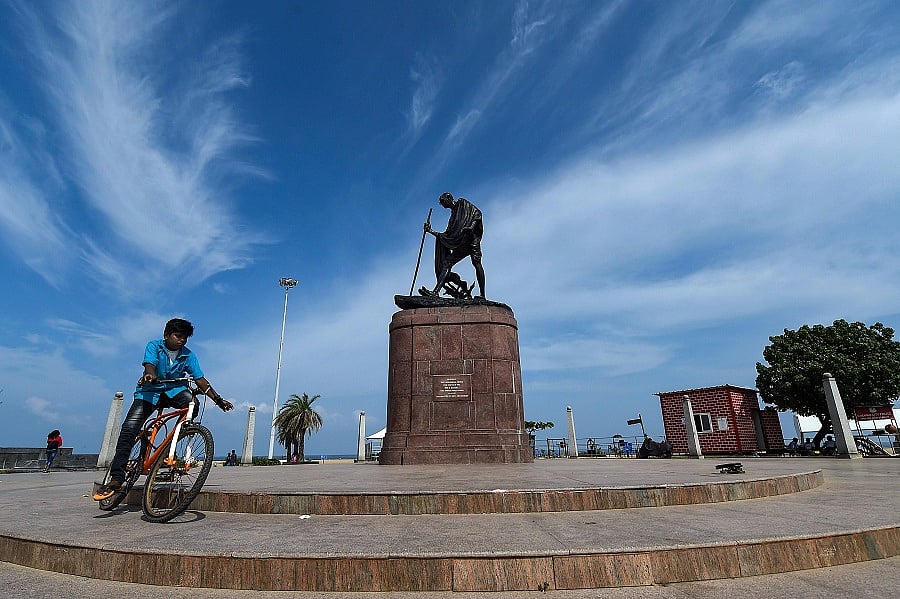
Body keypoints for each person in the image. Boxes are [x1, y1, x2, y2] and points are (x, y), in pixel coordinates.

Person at [94, 318, 233, 500]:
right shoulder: (154, 346)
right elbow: (149, 365)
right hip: (149, 391)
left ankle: (173, 442)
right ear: (166, 335)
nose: (181, 340)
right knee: (129, 429)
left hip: (174, 391)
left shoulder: (189, 356)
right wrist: (150, 375)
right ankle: (116, 478)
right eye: (178, 336)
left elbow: (200, 379)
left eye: (185, 338)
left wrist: (218, 399)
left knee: (193, 404)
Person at [423, 192, 485, 299]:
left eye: (443, 201)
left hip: (471, 240)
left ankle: (482, 295)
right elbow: (447, 235)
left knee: (476, 263)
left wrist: (471, 227)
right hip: (462, 244)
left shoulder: (462, 203)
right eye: (441, 203)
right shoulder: (452, 219)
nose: (442, 204)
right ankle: (435, 292)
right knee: (447, 263)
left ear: (449, 198)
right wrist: (430, 231)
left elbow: (477, 213)